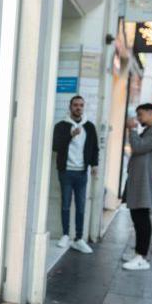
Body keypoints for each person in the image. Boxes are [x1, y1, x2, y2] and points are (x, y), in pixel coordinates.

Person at [122, 103, 152, 271]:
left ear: (151, 113)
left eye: (141, 115)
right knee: (137, 216)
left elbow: (139, 147)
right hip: (140, 178)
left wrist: (132, 130)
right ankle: (138, 253)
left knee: (141, 216)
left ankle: (141, 256)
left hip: (145, 179)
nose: (139, 119)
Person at [52, 95, 99, 254]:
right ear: (70, 107)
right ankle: (65, 235)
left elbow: (94, 148)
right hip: (65, 171)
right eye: (75, 105)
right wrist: (70, 135)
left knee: (80, 206)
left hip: (81, 172)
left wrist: (94, 164)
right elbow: (56, 146)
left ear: (83, 107)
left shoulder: (90, 127)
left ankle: (79, 238)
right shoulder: (61, 126)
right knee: (65, 204)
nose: (78, 108)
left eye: (81, 105)